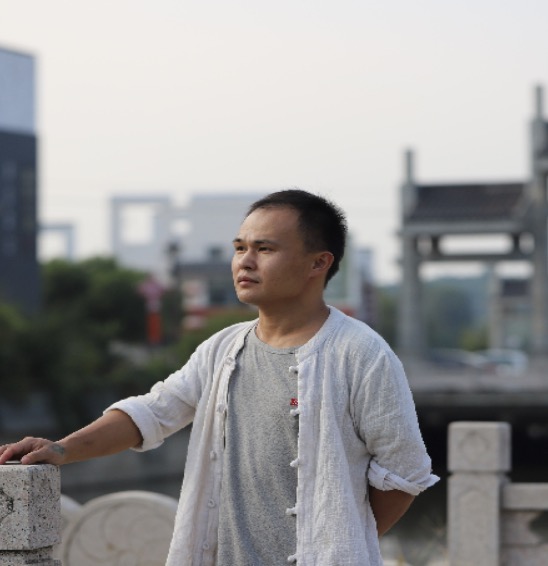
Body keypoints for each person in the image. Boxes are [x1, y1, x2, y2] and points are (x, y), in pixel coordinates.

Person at [0, 189, 438, 565]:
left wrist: (339, 539)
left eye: (265, 249)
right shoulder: (223, 349)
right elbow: (153, 412)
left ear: (318, 263)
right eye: (239, 247)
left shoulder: (359, 353)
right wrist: (61, 449)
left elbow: (405, 473)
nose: (245, 261)